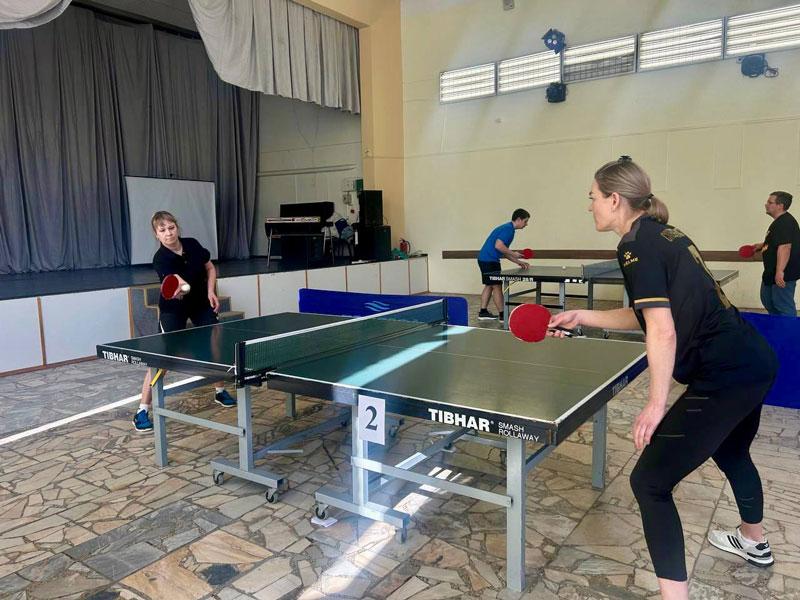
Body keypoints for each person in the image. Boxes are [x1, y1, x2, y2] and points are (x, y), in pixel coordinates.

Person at [548, 157, 778, 600]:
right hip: (753, 361)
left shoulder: (634, 246)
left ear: (615, 200)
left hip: (725, 374)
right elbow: (650, 314)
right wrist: (582, 316)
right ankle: (754, 541)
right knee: (732, 451)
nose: (590, 205)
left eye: (592, 198)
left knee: (649, 483)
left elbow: (661, 330)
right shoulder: (661, 233)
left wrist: (655, 405)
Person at [132, 211, 236, 432]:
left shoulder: (193, 244)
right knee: (163, 357)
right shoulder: (161, 258)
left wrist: (211, 292)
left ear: (177, 227)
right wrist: (179, 288)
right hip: (174, 308)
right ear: (156, 234)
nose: (168, 233)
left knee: (214, 346)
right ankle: (142, 410)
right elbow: (175, 282)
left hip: (200, 303)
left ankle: (219, 391)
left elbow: (209, 267)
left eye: (171, 228)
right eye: (162, 230)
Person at [477, 208, 531, 321]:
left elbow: (503, 251)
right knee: (496, 286)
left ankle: (483, 312)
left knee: (489, 285)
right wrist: (514, 254)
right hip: (489, 260)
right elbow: (499, 246)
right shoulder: (508, 230)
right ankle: (503, 314)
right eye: (525, 221)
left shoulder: (507, 228)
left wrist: (518, 262)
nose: (526, 224)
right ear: (518, 219)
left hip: (484, 259)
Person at [751, 191, 800, 316]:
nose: (766, 204)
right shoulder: (779, 222)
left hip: (783, 274)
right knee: (768, 300)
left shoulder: (785, 223)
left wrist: (780, 271)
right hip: (771, 272)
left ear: (780, 206)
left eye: (770, 202)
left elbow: (785, 247)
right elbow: (778, 241)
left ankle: (789, 328)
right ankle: (777, 326)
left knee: (782, 305)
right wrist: (762, 245)